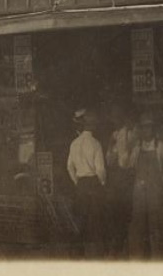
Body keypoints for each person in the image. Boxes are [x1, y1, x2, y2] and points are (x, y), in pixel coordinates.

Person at [128, 113, 163, 259]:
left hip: (155, 193)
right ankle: (139, 258)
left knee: (155, 226)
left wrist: (159, 184)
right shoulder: (137, 147)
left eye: (149, 128)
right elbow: (130, 166)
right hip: (139, 193)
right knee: (139, 225)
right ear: (141, 130)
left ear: (153, 129)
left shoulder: (160, 147)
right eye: (144, 128)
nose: (147, 131)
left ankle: (156, 259)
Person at [66, 108, 106, 258]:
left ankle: (78, 257)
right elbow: (100, 169)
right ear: (92, 126)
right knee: (95, 223)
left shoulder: (74, 144)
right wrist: (101, 183)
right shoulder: (96, 144)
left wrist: (77, 181)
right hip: (93, 184)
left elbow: (69, 167)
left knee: (80, 222)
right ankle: (95, 257)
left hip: (81, 185)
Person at [105, 104, 136, 256]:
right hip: (116, 179)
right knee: (116, 213)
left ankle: (124, 248)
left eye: (116, 115)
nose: (114, 119)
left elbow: (127, 160)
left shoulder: (131, 133)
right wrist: (111, 146)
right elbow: (109, 160)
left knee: (125, 215)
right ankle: (118, 247)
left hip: (127, 177)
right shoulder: (115, 135)